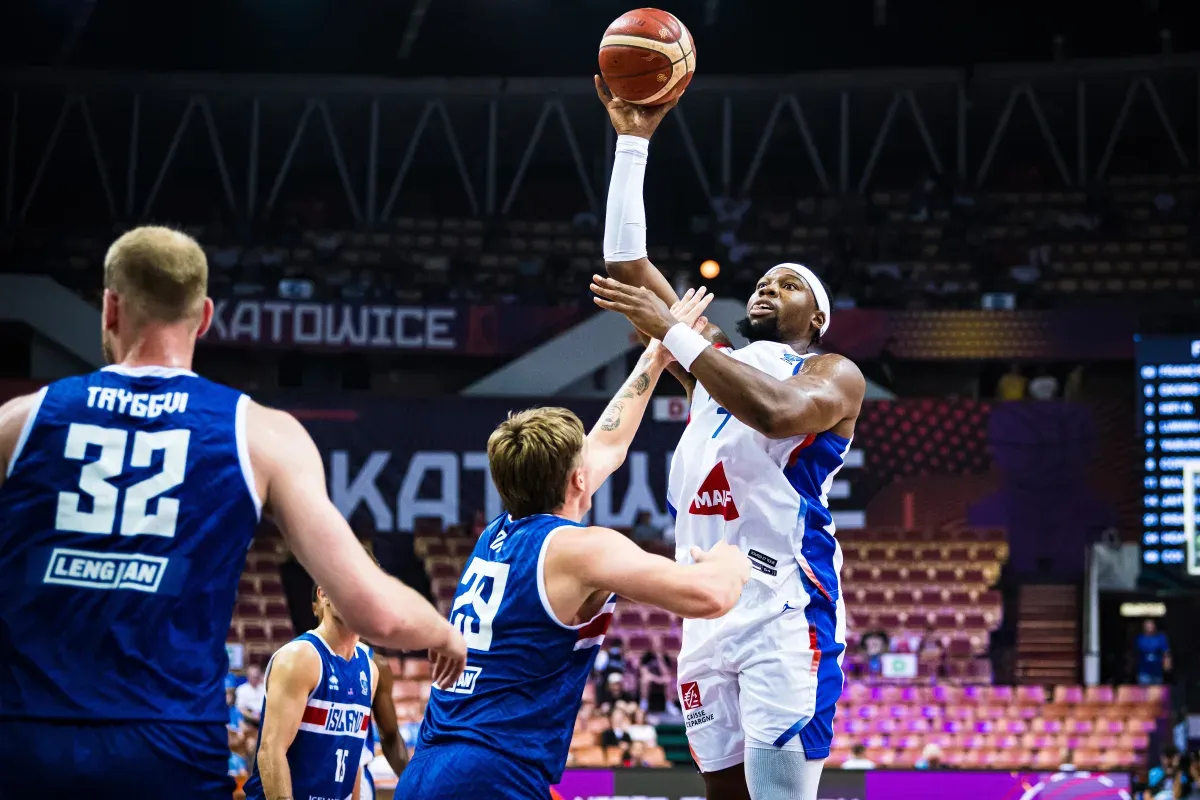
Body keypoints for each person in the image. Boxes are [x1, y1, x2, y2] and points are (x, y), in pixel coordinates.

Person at [0, 226, 467, 798]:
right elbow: (375, 611)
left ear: (110, 307)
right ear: (204, 318)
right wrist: (444, 634)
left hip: (26, 743)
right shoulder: (260, 434)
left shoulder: (20, 421)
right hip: (170, 751)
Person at [593, 79, 866, 800]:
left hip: (786, 610)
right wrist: (632, 142)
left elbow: (775, 413)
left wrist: (675, 333)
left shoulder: (832, 373)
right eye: (765, 280)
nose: (769, 286)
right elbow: (627, 266)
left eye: (790, 283)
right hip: (706, 611)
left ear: (818, 318)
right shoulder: (716, 364)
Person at [398, 289, 751, 800]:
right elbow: (709, 596)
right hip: (491, 773)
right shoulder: (578, 551)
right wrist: (732, 556)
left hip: (430, 766)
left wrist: (655, 357)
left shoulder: (497, 534)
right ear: (579, 480)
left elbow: (608, 442)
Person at [243, 584, 378, 800]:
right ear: (323, 594)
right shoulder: (300, 657)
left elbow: (354, 759)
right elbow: (271, 751)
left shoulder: (369, 670)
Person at [1136, 619, 1172, 685]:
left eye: (1151, 625)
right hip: (1144, 672)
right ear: (1144, 627)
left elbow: (1166, 653)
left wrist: (1167, 664)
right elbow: (1135, 653)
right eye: (1147, 625)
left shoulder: (1161, 637)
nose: (1149, 627)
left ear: (1154, 626)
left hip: (1157, 672)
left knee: (1157, 690)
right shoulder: (1139, 638)